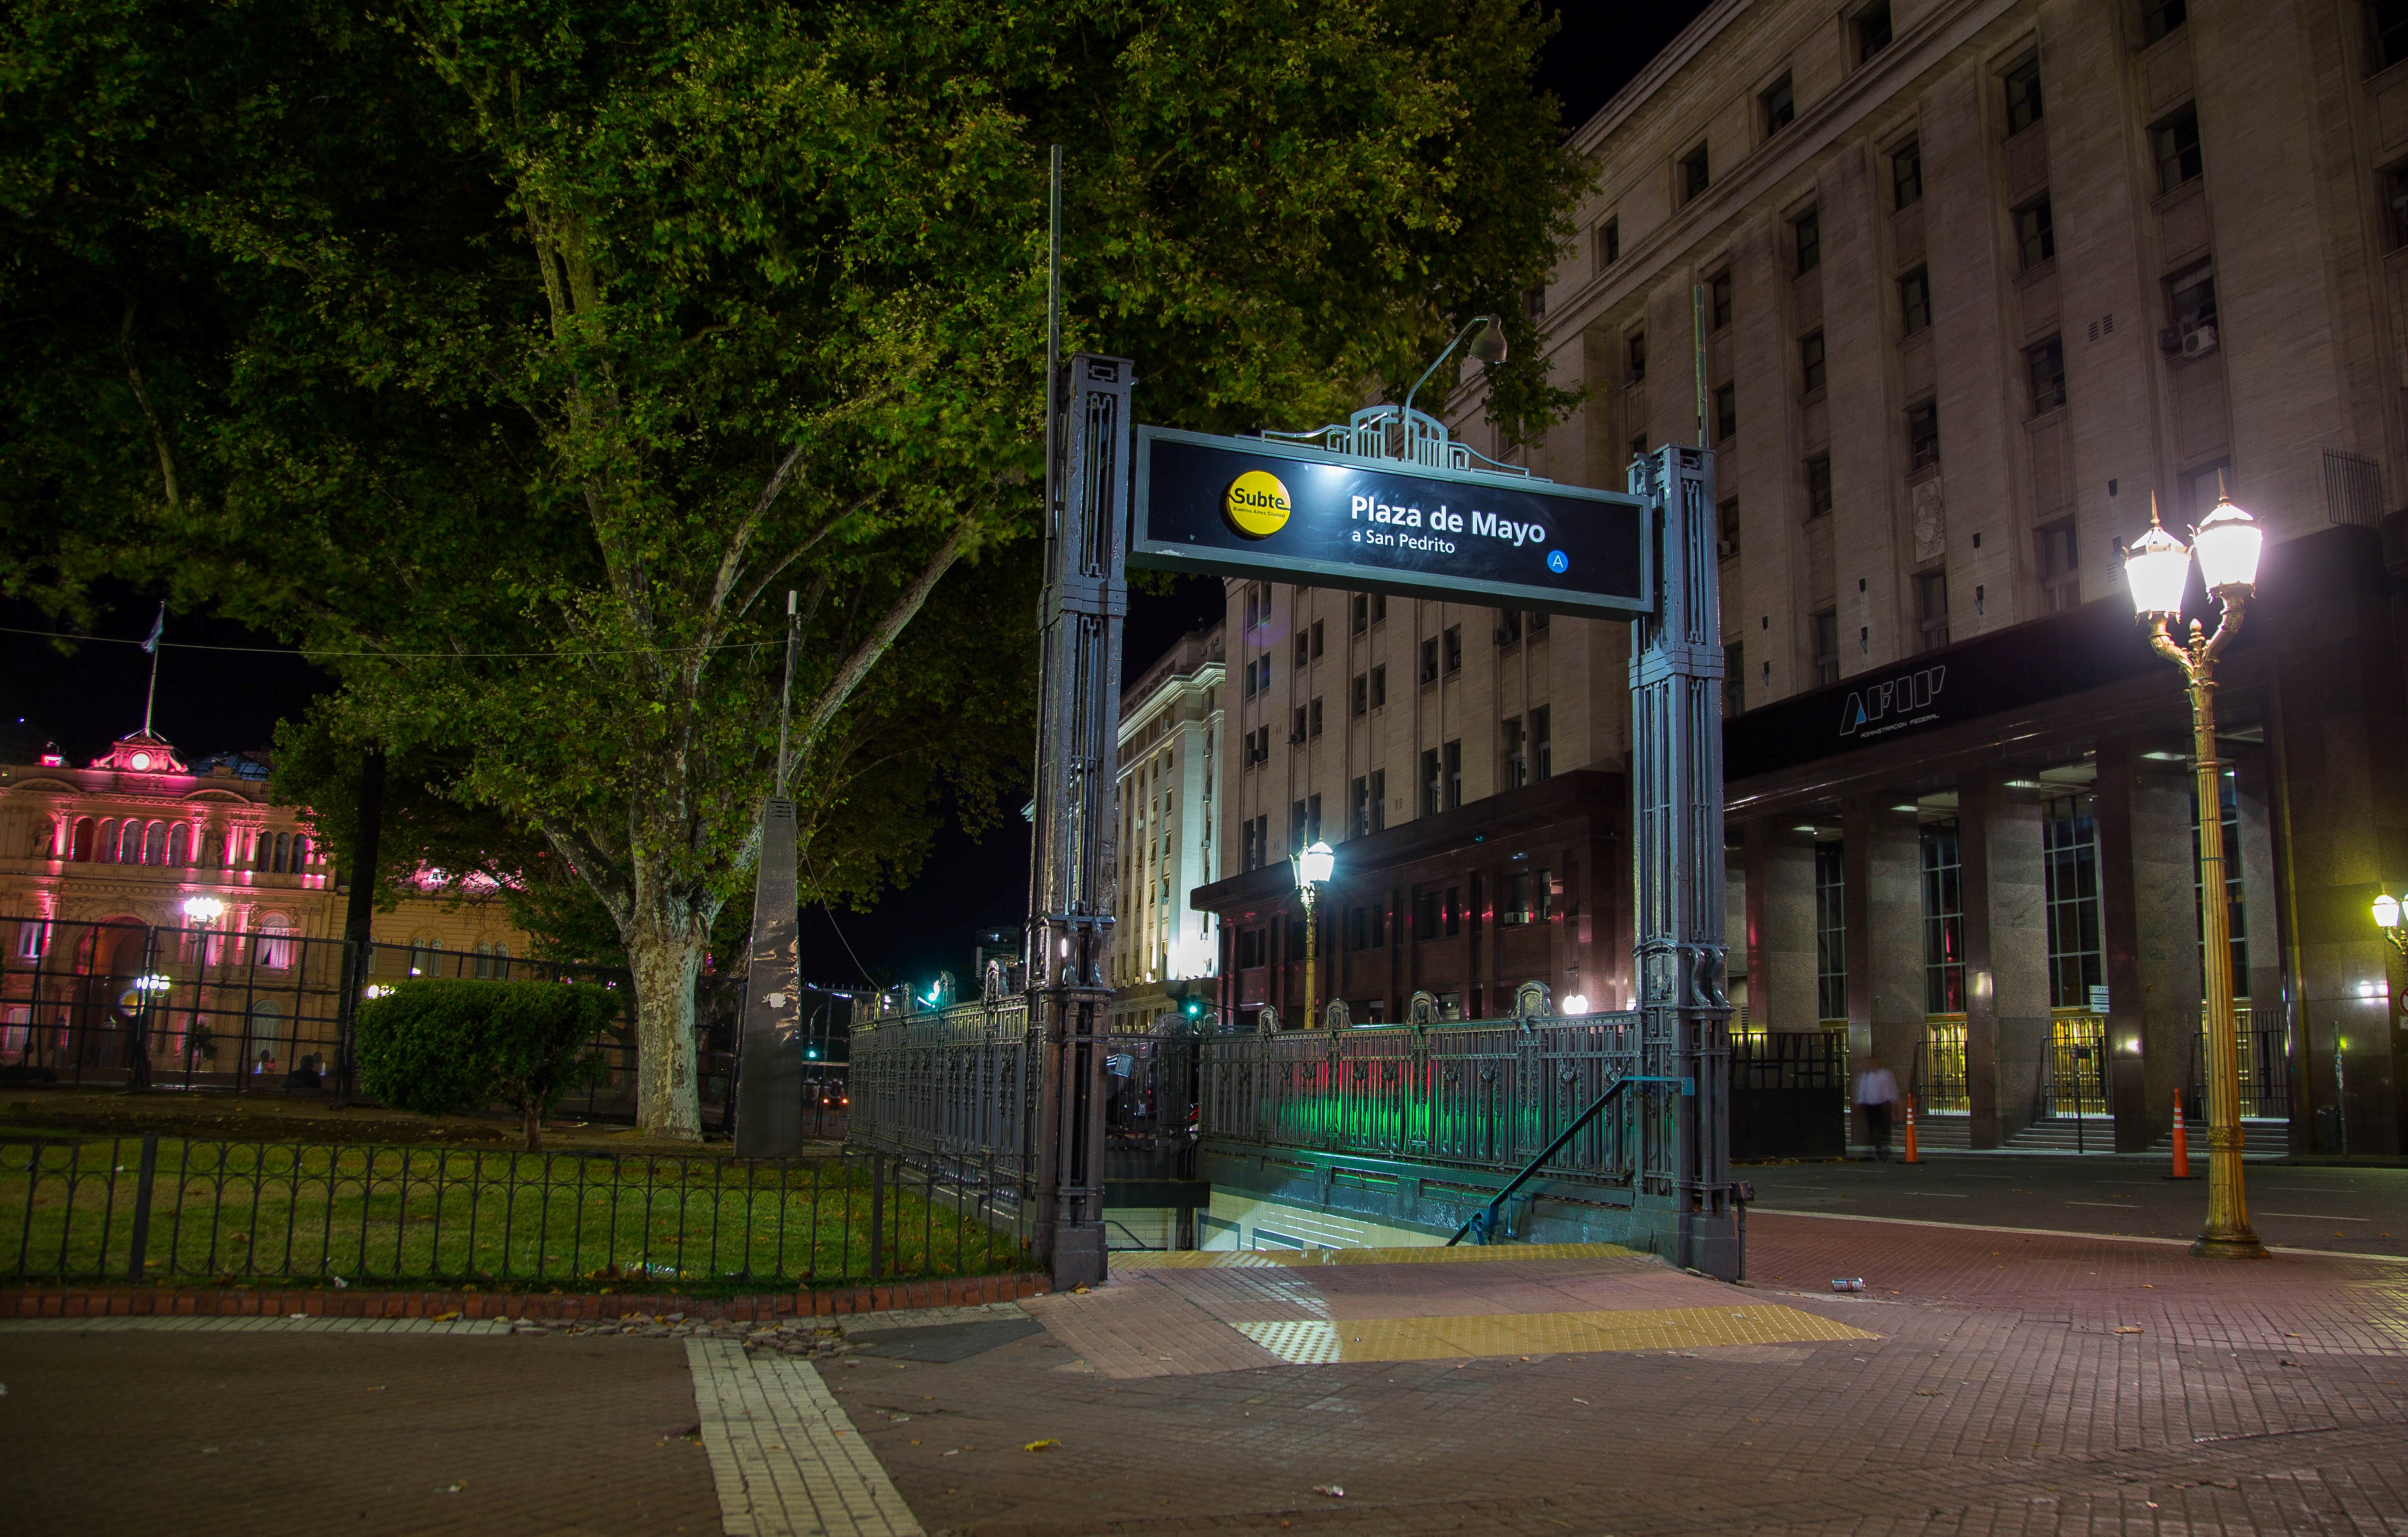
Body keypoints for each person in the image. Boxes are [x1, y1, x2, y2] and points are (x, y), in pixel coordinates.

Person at [1855, 1055, 1901, 1161]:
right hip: (1870, 1106)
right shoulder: (1865, 1076)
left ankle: (1885, 1150)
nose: (1871, 1065)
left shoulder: (1886, 1075)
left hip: (1884, 1105)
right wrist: (1861, 1104)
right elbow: (1862, 1092)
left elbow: (1893, 1091)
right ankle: (1878, 1148)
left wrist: (1895, 1108)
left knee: (1885, 1128)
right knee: (1873, 1129)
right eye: (1869, 1063)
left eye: (1873, 1063)